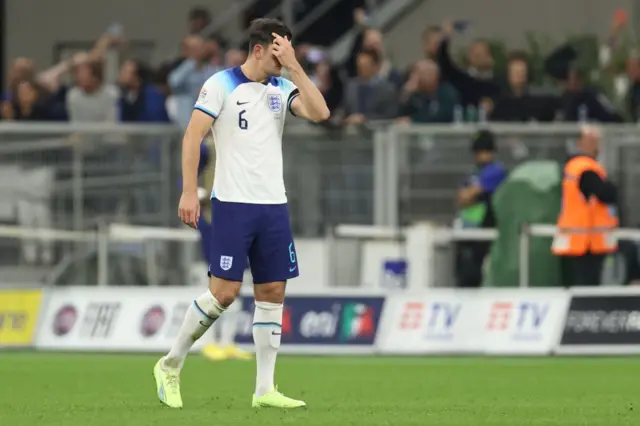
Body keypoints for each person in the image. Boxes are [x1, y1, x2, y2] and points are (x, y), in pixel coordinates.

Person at [153, 18, 330, 409]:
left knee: (272, 292)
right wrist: (188, 191)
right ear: (258, 49)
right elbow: (192, 136)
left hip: (273, 206)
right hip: (232, 204)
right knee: (225, 293)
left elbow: (321, 113)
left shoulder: (283, 87)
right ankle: (170, 363)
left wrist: (297, 67)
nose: (283, 59)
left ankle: (265, 389)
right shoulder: (220, 84)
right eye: (279, 51)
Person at [552, 125, 618, 286]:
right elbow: (606, 193)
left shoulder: (571, 167)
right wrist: (612, 187)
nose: (597, 145)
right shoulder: (586, 168)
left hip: (574, 243)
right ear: (581, 143)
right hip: (586, 243)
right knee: (586, 290)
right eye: (592, 140)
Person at [455, 130, 507, 287]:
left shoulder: (495, 171)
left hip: (484, 230)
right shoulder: (476, 172)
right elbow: (461, 198)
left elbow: (469, 195)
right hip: (468, 228)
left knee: (476, 273)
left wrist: (469, 195)